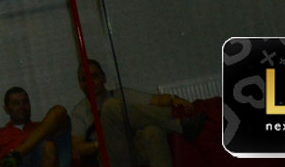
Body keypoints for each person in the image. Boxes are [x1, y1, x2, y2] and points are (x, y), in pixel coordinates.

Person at [70, 58, 207, 167]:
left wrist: (173, 99)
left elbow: (155, 100)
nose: (89, 82)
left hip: (135, 147)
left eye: (93, 76)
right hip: (111, 156)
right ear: (80, 84)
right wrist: (99, 143)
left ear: (103, 78)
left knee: (153, 131)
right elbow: (77, 148)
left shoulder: (120, 94)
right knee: (110, 107)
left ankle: (176, 123)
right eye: (84, 79)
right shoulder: (79, 111)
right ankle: (177, 124)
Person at [0, 87, 71, 167]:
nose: (22, 106)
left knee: (49, 145)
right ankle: (15, 158)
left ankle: (16, 155)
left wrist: (17, 153)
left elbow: (60, 114)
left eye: (25, 102)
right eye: (16, 103)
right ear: (6, 109)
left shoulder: (44, 126)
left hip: (42, 159)